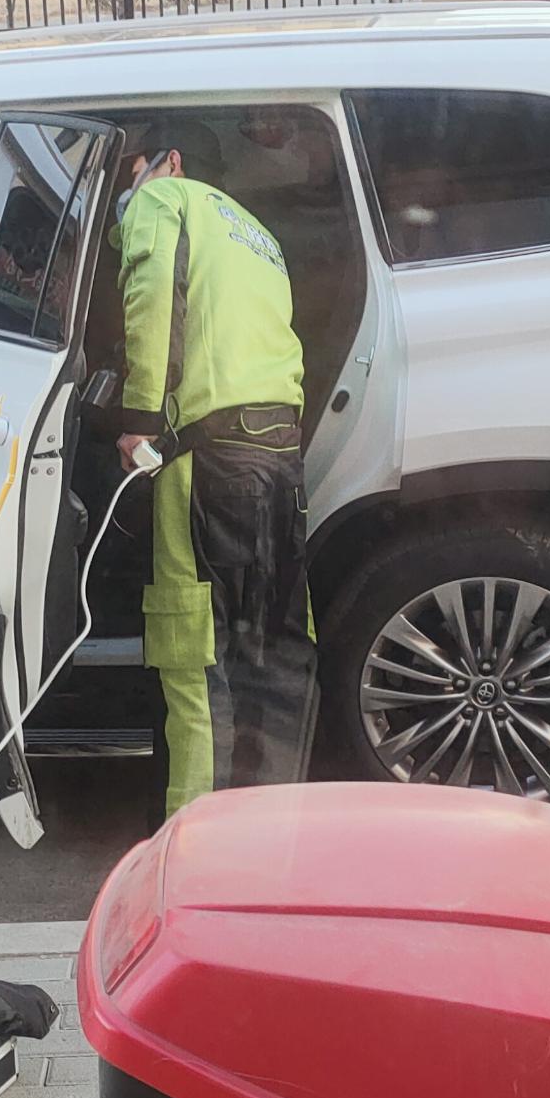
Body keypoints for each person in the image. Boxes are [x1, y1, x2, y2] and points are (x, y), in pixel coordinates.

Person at [113, 116, 316, 819]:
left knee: (192, 649)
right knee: (273, 651)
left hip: (206, 457)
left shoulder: (164, 199)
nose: (129, 186)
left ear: (168, 161)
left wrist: (138, 421)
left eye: (132, 168)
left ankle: (191, 838)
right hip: (279, 458)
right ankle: (268, 828)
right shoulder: (259, 235)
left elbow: (151, 300)